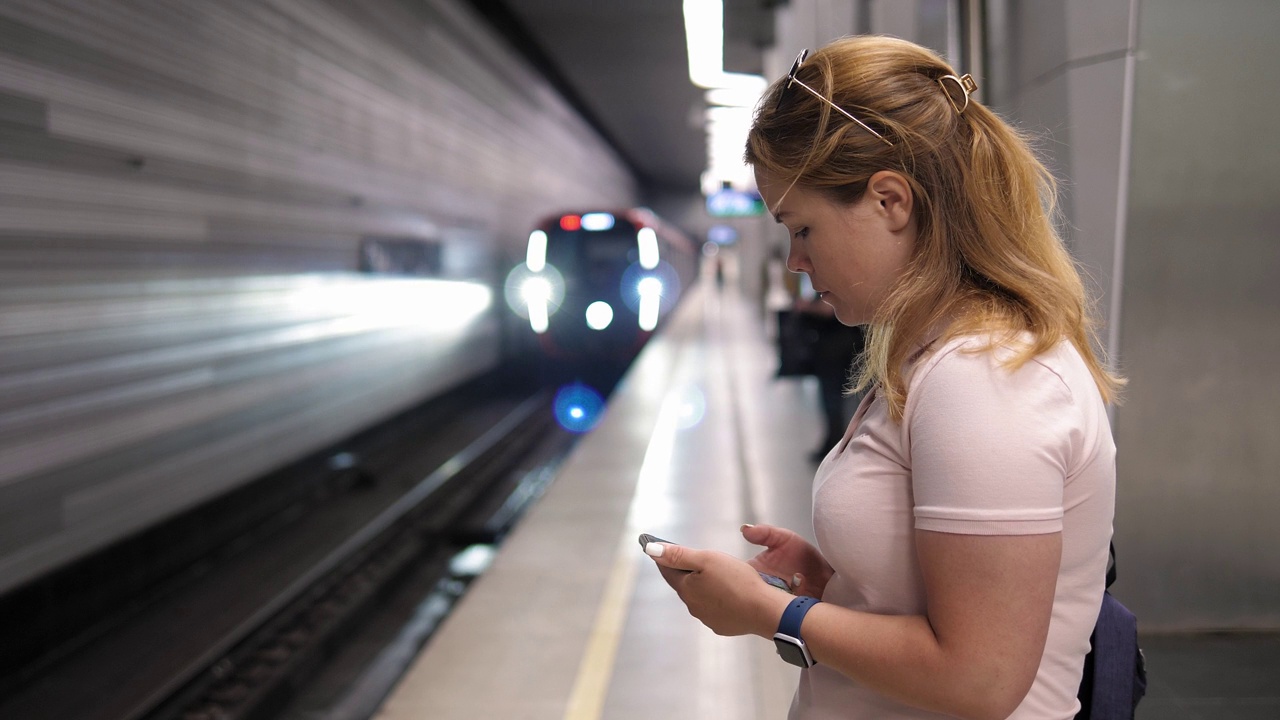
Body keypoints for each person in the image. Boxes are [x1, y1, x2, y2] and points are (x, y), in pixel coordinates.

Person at [643, 35, 1124, 720]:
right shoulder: (939, 353)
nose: (794, 262)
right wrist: (843, 583)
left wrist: (776, 613)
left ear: (890, 202)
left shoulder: (983, 378)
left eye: (802, 228)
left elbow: (979, 679)